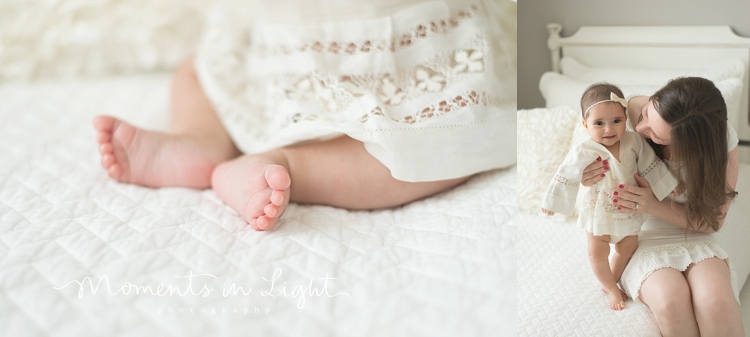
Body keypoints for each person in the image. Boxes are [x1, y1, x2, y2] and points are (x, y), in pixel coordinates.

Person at [92, 0, 517, 231]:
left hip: (296, 47)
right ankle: (213, 143)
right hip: (385, 48)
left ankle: (234, 148)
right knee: (450, 139)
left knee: (203, 71)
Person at [581, 77, 743, 336]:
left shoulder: (719, 143)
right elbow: (587, 149)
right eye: (646, 114)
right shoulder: (626, 112)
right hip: (638, 236)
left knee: (716, 302)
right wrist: (585, 176)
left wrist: (653, 204)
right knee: (670, 302)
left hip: (696, 232)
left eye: (656, 136)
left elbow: (712, 222)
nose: (641, 127)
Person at [541, 83, 677, 310]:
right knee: (596, 252)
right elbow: (567, 173)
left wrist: (669, 186)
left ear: (626, 118)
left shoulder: (634, 141)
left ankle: (612, 278)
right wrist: (552, 202)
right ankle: (612, 288)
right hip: (599, 210)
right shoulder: (584, 147)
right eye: (599, 123)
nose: (609, 129)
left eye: (616, 121)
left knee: (627, 247)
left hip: (627, 207)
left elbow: (650, 166)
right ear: (585, 125)